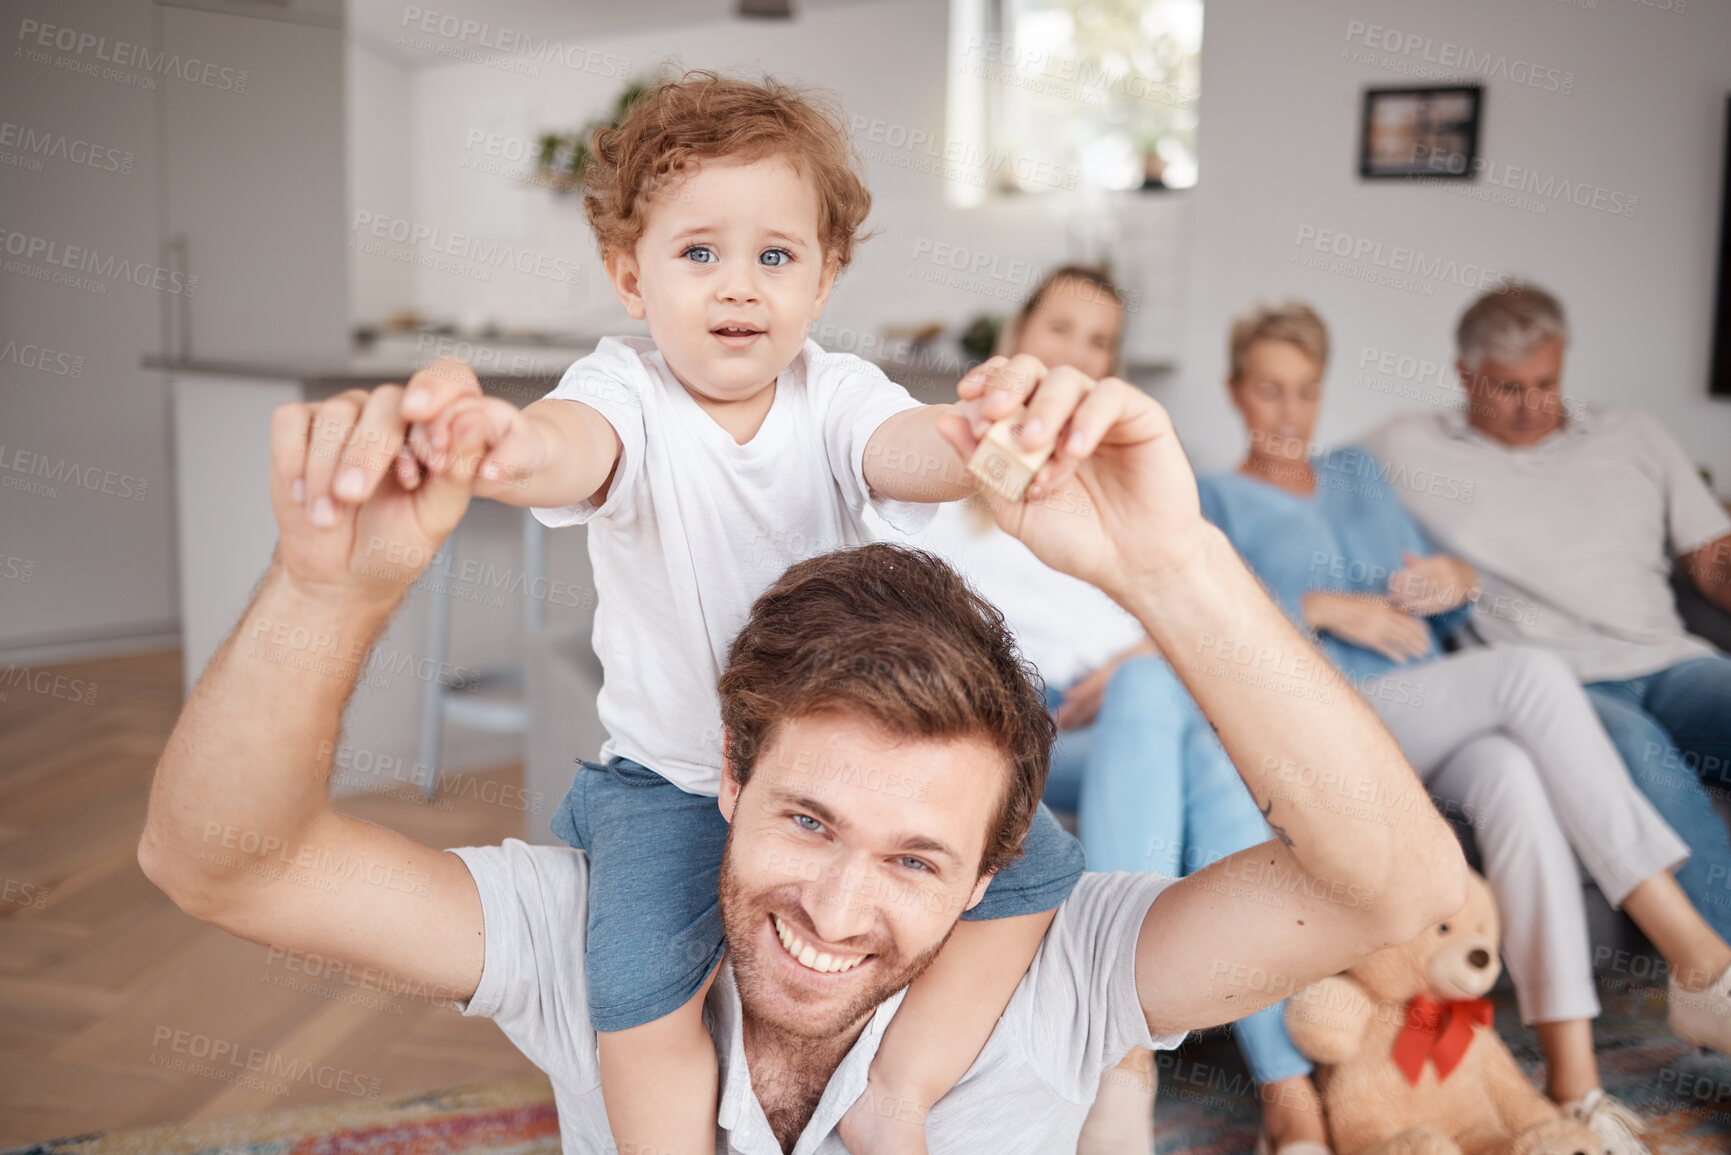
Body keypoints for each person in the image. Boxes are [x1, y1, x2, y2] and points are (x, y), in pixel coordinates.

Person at [138, 339, 1473, 1153]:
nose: (832, 911)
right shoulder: (605, 921)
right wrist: (330, 590)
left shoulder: (1065, 960)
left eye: (914, 855)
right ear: (728, 773)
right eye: (807, 820)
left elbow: (1388, 886)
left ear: (996, 859)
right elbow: (222, 863)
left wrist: (1170, 565)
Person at [374, 72, 1087, 1155]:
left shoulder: (834, 393)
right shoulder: (626, 392)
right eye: (698, 252)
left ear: (825, 277)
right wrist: (506, 448)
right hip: (669, 777)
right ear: (631, 276)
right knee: (638, 988)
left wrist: (986, 434)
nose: (738, 286)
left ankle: (896, 1090)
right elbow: (573, 446)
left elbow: (908, 450)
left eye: (776, 255)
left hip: (834, 775)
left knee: (1037, 863)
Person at [1198, 300, 1731, 1155]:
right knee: (1531, 672)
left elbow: (1440, 605)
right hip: (1329, 719)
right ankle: (1695, 954)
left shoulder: (1360, 475)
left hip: (1427, 703)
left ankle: (1574, 1083)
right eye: (1268, 390)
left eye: (1305, 391)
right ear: (1234, 393)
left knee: (1515, 779)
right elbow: (1201, 630)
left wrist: (1453, 579)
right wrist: (1315, 606)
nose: (1288, 413)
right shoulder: (1210, 496)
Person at [889, 266, 1326, 1155]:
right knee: (1178, 725)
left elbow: (1176, 611)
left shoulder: (1126, 476)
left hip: (1129, 717)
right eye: (1059, 329)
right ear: (1018, 330)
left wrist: (1144, 654)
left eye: (1098, 342)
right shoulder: (956, 457)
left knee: (1175, 719)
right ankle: (1279, 1088)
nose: (1077, 354)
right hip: (1011, 723)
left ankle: (1156, 1073)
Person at [1359, 283, 1731, 950]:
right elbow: (1292, 490)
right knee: (1644, 759)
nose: (1532, 406)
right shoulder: (1404, 447)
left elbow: (1708, 555)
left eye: (1546, 383)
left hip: (1672, 661)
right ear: (1464, 375)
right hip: (1563, 690)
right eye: (1507, 388)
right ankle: (1720, 978)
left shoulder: (1634, 434)